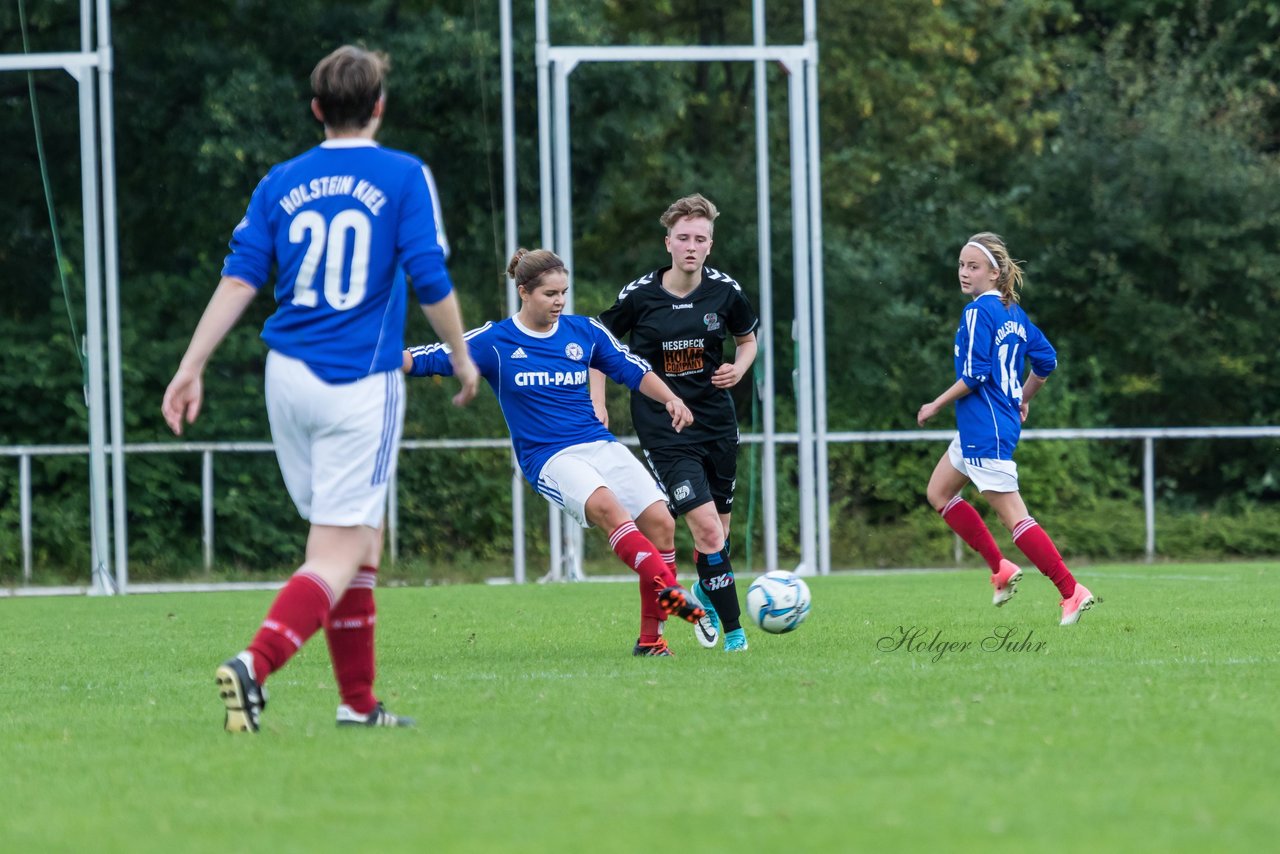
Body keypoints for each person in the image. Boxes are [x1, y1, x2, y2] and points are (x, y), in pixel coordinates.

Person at [161, 45, 480, 733]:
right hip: (358, 381)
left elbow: (242, 277)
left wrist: (192, 365)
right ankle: (255, 663)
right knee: (335, 552)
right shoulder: (402, 174)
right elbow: (428, 274)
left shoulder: (282, 179)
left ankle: (358, 704)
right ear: (379, 107)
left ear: (315, 109)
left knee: (359, 538)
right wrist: (460, 356)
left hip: (287, 378)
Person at [404, 248, 707, 656]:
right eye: (550, 294)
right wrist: (382, 358)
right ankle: (669, 590)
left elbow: (630, 368)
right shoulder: (495, 341)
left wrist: (671, 399)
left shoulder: (584, 332)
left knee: (661, 522)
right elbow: (433, 359)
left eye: (563, 292)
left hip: (597, 444)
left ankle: (652, 641)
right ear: (524, 292)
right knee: (609, 510)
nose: (559, 302)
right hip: (549, 457)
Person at [592, 193, 759, 652]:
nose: (691, 245)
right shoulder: (640, 295)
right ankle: (735, 634)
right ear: (668, 243)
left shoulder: (726, 291)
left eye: (700, 238)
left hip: (717, 422)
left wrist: (740, 368)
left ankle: (708, 585)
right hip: (665, 429)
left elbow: (747, 340)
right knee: (705, 529)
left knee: (718, 536)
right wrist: (598, 403)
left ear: (710, 244)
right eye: (683, 237)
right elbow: (596, 347)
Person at [916, 232, 1096, 626]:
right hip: (988, 424)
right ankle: (999, 567)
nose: (964, 272)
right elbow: (1046, 362)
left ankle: (1070, 590)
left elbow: (977, 374)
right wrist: (1023, 398)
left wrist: (936, 404)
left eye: (973, 266)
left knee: (1015, 518)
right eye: (961, 265)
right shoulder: (1014, 313)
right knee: (940, 492)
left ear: (995, 272)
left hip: (985, 427)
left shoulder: (979, 311)